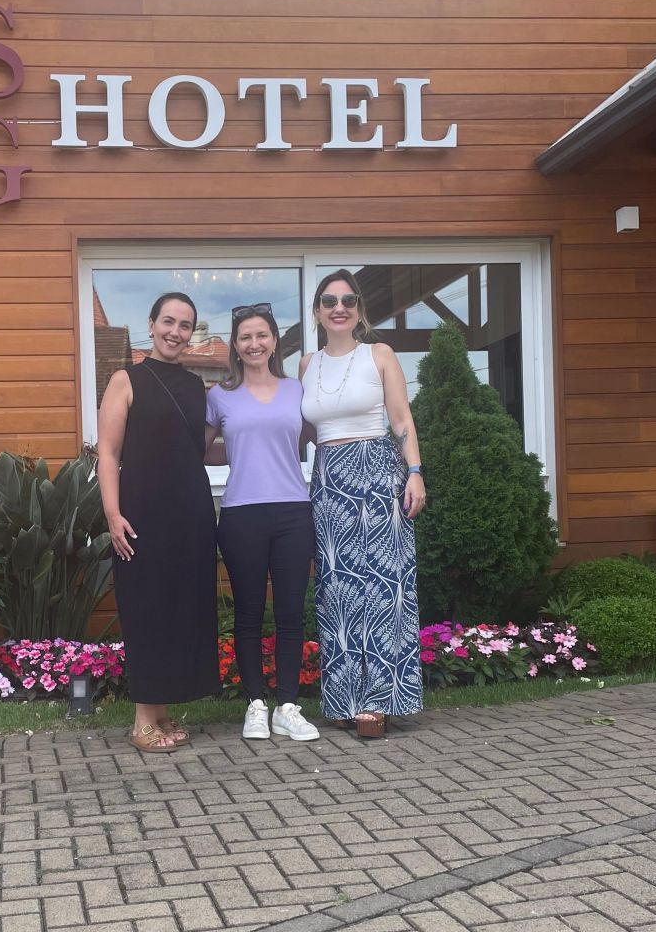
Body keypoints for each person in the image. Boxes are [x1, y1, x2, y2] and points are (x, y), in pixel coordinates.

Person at [299, 269, 426, 739]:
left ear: (359, 309)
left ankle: (379, 701)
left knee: (383, 587)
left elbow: (401, 418)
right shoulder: (306, 365)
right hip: (329, 480)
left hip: (377, 473)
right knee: (338, 589)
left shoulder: (379, 354)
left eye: (348, 300)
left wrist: (415, 472)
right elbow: (302, 431)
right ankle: (344, 699)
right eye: (330, 301)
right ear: (317, 311)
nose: (339, 308)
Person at [97, 291, 221, 753]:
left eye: (185, 325)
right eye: (168, 321)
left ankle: (162, 713)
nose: (175, 332)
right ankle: (142, 722)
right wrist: (113, 514)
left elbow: (195, 451)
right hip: (141, 513)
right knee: (147, 608)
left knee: (179, 608)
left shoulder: (194, 387)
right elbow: (108, 454)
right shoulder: (125, 380)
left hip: (190, 512)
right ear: (151, 325)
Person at [205, 302, 320, 743]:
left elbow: (311, 437)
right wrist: (241, 452)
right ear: (236, 346)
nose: (254, 344)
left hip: (293, 511)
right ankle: (255, 704)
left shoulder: (297, 391)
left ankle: (287, 707)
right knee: (249, 613)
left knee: (290, 612)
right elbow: (202, 450)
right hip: (241, 515)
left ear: (274, 342)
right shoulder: (219, 396)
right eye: (245, 337)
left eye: (262, 335)